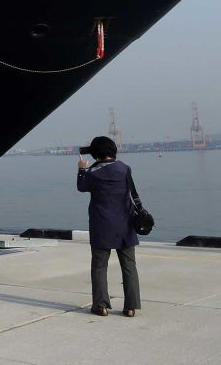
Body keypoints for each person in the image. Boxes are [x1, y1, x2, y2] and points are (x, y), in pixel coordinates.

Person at [76, 135, 141, 317]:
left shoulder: (92, 173)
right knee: (129, 266)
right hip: (125, 224)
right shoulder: (125, 169)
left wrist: (82, 169)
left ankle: (101, 306)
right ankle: (131, 307)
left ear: (96, 153)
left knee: (99, 266)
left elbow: (81, 187)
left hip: (101, 224)